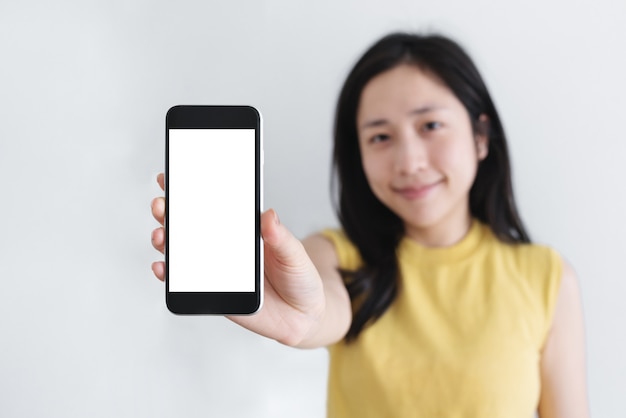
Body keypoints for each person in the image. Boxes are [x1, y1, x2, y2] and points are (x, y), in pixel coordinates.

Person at [151, 33, 589, 417]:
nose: (409, 162)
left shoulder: (547, 278)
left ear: (480, 136)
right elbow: (323, 303)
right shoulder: (336, 254)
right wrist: (305, 317)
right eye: (380, 136)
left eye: (431, 125)